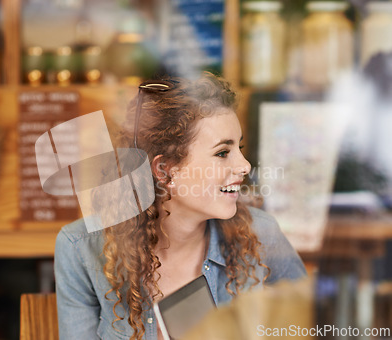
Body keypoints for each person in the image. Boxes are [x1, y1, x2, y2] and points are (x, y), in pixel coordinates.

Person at [54, 72, 306, 340]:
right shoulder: (80, 248)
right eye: (223, 153)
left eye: (239, 148)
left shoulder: (260, 233)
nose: (244, 166)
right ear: (164, 170)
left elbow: (312, 326)